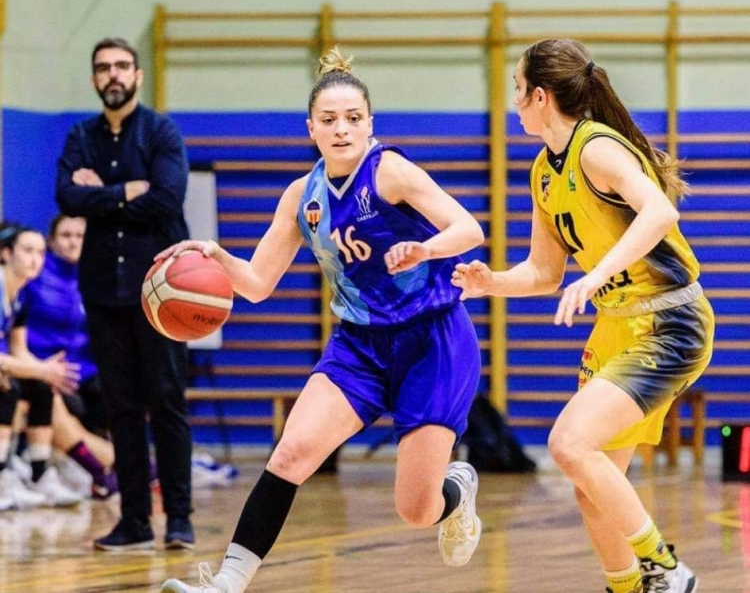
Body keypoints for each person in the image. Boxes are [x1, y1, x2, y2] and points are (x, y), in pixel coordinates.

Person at [159, 46, 484, 593]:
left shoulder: (392, 172)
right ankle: (226, 583)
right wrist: (215, 257)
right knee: (290, 452)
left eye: (353, 119)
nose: (342, 130)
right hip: (359, 346)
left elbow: (468, 229)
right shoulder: (301, 197)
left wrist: (425, 252)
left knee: (415, 509)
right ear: (310, 128)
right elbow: (258, 284)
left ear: (370, 125)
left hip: (433, 341)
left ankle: (457, 487)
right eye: (329, 120)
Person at [451, 38, 713, 593]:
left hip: (669, 321)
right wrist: (493, 282)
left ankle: (666, 571)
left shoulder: (596, 147)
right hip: (616, 325)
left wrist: (594, 275)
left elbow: (659, 211)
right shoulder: (545, 172)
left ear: (541, 97)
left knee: (568, 444)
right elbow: (544, 273)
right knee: (591, 489)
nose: (514, 102)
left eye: (518, 91)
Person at [55, 37, 194, 550]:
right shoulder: (80, 135)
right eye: (102, 68)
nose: (112, 75)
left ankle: (178, 517)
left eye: (121, 66)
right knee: (121, 408)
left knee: (167, 402)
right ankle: (134, 520)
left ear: (137, 74)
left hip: (159, 291)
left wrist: (100, 196)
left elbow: (165, 199)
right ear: (94, 79)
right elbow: (67, 196)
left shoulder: (161, 131)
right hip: (103, 289)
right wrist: (125, 190)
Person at [21, 214, 118, 499]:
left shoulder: (94, 275)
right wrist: (44, 369)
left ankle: (117, 467)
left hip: (83, 371)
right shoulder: (34, 277)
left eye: (80, 235)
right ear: (52, 241)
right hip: (42, 367)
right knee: (54, 401)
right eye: (66, 235)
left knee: (121, 394)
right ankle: (118, 469)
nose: (74, 241)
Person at [0, 223, 83, 511]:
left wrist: (48, 371)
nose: (35, 259)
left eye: (40, 252)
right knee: (7, 389)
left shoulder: (22, 295)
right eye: (27, 251)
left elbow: (19, 350)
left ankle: (38, 474)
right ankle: (2, 477)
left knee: (40, 387)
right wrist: (41, 370)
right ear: (6, 253)